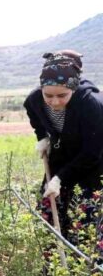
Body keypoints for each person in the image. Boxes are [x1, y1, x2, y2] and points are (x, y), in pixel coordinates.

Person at [25, 50, 103, 239]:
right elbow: (34, 115)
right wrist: (42, 137)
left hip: (93, 168)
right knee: (49, 222)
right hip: (60, 159)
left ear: (73, 89)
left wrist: (61, 179)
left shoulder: (91, 105)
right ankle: (51, 268)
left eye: (62, 95)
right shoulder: (35, 99)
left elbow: (93, 152)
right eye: (48, 95)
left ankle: (84, 268)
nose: (54, 101)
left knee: (84, 228)